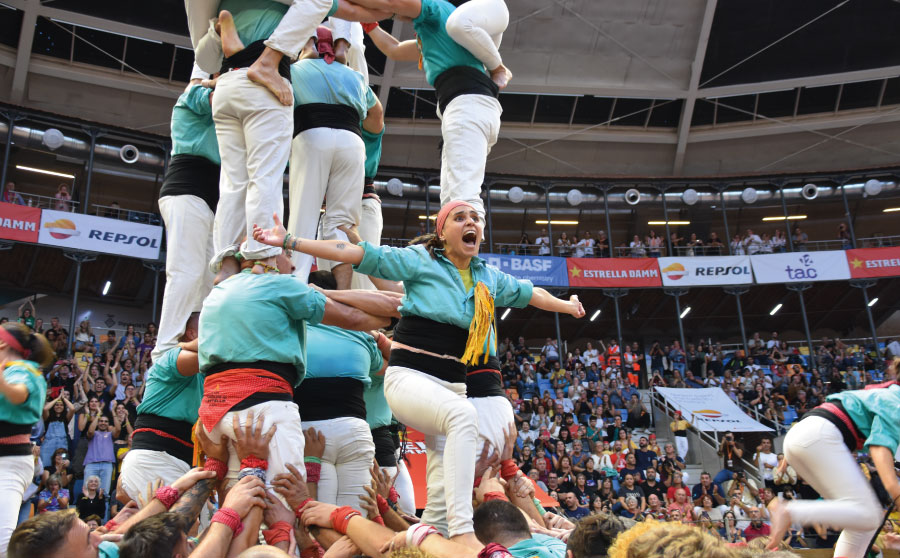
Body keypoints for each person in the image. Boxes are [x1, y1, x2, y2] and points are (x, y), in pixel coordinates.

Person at [254, 200, 584, 543]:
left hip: (451, 388)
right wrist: (290, 240)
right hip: (410, 379)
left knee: (441, 493)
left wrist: (567, 306)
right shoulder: (421, 260)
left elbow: (533, 293)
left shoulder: (488, 277)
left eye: (476, 218)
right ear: (441, 232)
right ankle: (462, 533)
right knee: (463, 417)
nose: (471, 221)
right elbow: (351, 253)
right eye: (460, 217)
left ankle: (439, 534)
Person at [184, 0, 388, 273]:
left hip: (228, 85)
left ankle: (227, 263)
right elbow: (377, 115)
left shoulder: (303, 68)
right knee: (268, 178)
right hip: (343, 136)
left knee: (234, 183)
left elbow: (204, 59)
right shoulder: (353, 77)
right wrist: (386, 12)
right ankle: (262, 258)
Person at [196, 247, 388, 503]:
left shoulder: (217, 293)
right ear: (271, 258)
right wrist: (388, 319)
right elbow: (354, 318)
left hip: (216, 413)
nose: (295, 266)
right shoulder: (282, 286)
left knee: (234, 503)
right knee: (283, 507)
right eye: (288, 255)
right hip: (263, 410)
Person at [361, 0, 503, 216]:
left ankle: (465, 247)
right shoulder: (430, 35)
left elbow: (395, 3)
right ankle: (450, 246)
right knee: (451, 198)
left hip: (467, 105)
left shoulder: (436, 9)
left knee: (462, 196)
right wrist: (370, 26)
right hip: (469, 107)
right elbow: (394, 49)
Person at [284, 26, 384, 287]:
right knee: (341, 221)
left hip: (312, 135)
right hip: (352, 141)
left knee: (303, 217)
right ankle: (343, 291)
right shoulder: (355, 76)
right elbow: (377, 115)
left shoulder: (294, 71)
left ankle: (296, 284)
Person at [767, 381, 900, 558]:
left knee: (862, 523)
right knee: (869, 514)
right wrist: (895, 491)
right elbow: (879, 447)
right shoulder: (895, 401)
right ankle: (791, 510)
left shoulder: (885, 393)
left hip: (805, 436)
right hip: (819, 438)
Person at [152, 65, 220, 363]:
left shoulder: (226, 115)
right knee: (186, 271)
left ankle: (191, 345)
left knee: (208, 279)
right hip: (186, 188)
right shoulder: (192, 95)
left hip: (210, 195)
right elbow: (223, 95)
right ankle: (164, 349)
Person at [118, 314, 202, 506]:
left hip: (179, 461)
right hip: (156, 459)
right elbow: (219, 346)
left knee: (192, 532)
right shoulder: (170, 358)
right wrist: (182, 347)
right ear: (192, 333)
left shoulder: (205, 374)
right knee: (181, 532)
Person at [0, 323, 52, 554]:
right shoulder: (11, 368)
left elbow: (17, 394)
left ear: (3, 343)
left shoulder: (24, 369)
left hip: (8, 462)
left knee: (2, 541)